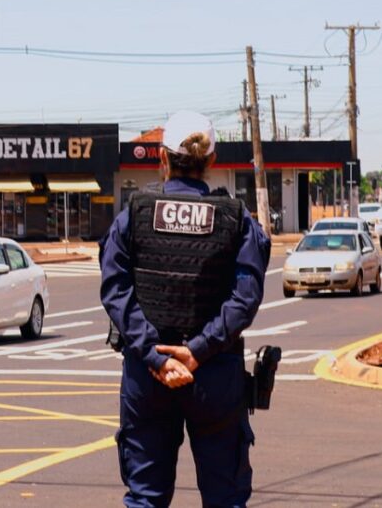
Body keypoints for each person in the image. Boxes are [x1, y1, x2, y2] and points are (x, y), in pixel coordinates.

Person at [100, 110, 270, 508]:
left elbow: (115, 289)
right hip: (215, 376)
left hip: (147, 377)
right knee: (225, 500)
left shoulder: (134, 215)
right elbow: (245, 297)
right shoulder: (236, 220)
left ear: (162, 157)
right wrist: (198, 351)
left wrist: (154, 356)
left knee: (145, 500)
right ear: (212, 161)